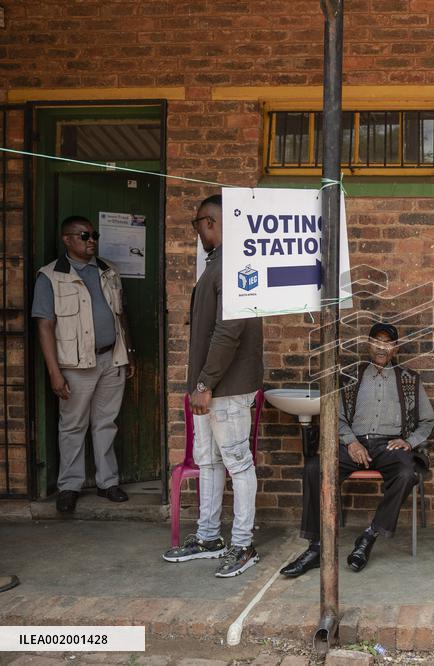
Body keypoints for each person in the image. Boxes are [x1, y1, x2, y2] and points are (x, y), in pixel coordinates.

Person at [281, 322, 434, 577]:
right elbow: (337, 417)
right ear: (369, 344)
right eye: (377, 341)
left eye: (388, 343)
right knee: (313, 468)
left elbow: (428, 420)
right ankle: (317, 546)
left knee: (407, 473)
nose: (382, 347)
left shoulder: (409, 379)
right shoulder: (351, 376)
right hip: (355, 443)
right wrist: (351, 442)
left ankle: (369, 536)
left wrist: (409, 442)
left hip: (389, 445)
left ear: (395, 348)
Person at [162, 194, 263, 578]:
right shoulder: (218, 264)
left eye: (197, 225)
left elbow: (228, 331)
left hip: (226, 387)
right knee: (207, 460)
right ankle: (208, 536)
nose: (198, 233)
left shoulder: (235, 265)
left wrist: (204, 382)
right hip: (209, 386)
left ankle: (242, 544)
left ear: (210, 223)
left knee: (237, 463)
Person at [32, 216, 136, 513]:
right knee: (72, 425)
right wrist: (54, 372)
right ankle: (69, 486)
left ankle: (108, 482)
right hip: (75, 365)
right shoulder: (50, 276)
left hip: (111, 358)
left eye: (94, 235)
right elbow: (44, 326)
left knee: (106, 423)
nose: (91, 240)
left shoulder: (108, 271)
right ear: (67, 239)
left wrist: (128, 352)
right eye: (84, 235)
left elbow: (121, 315)